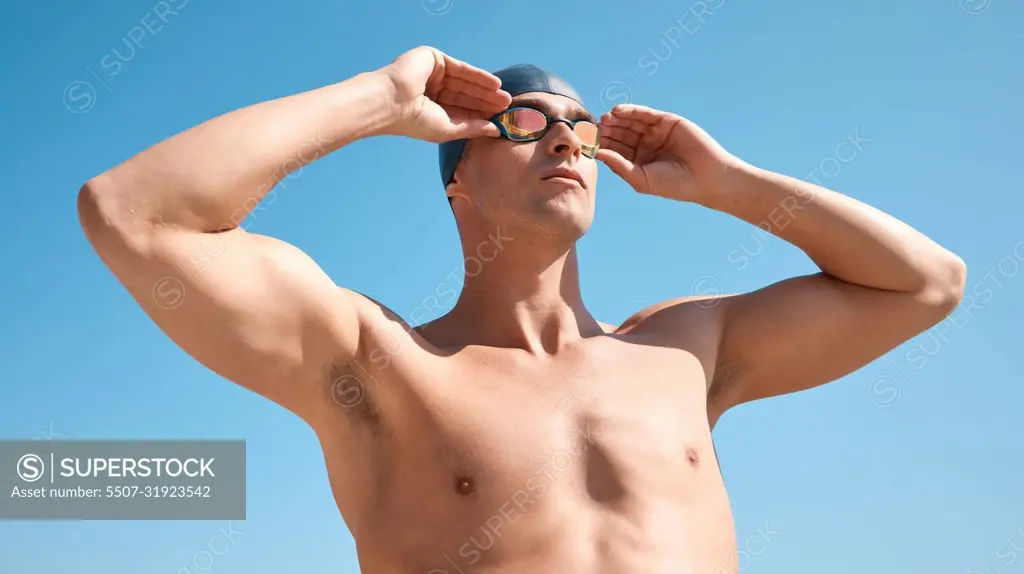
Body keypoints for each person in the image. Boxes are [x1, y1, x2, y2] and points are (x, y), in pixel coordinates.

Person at [77, 46, 966, 573]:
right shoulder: (378, 363)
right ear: (456, 178)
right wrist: (379, 100)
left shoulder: (687, 347)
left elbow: (927, 282)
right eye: (526, 122)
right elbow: (133, 212)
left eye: (577, 125)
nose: (564, 139)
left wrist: (731, 185)